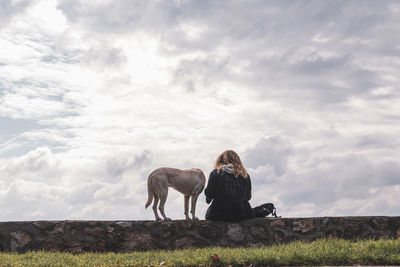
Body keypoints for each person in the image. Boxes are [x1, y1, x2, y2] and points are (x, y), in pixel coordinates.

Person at [204, 150, 268, 221]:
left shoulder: (215, 173)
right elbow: (248, 197)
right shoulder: (245, 175)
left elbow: (209, 195)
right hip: (241, 214)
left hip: (218, 214)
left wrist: (208, 198)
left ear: (220, 161)